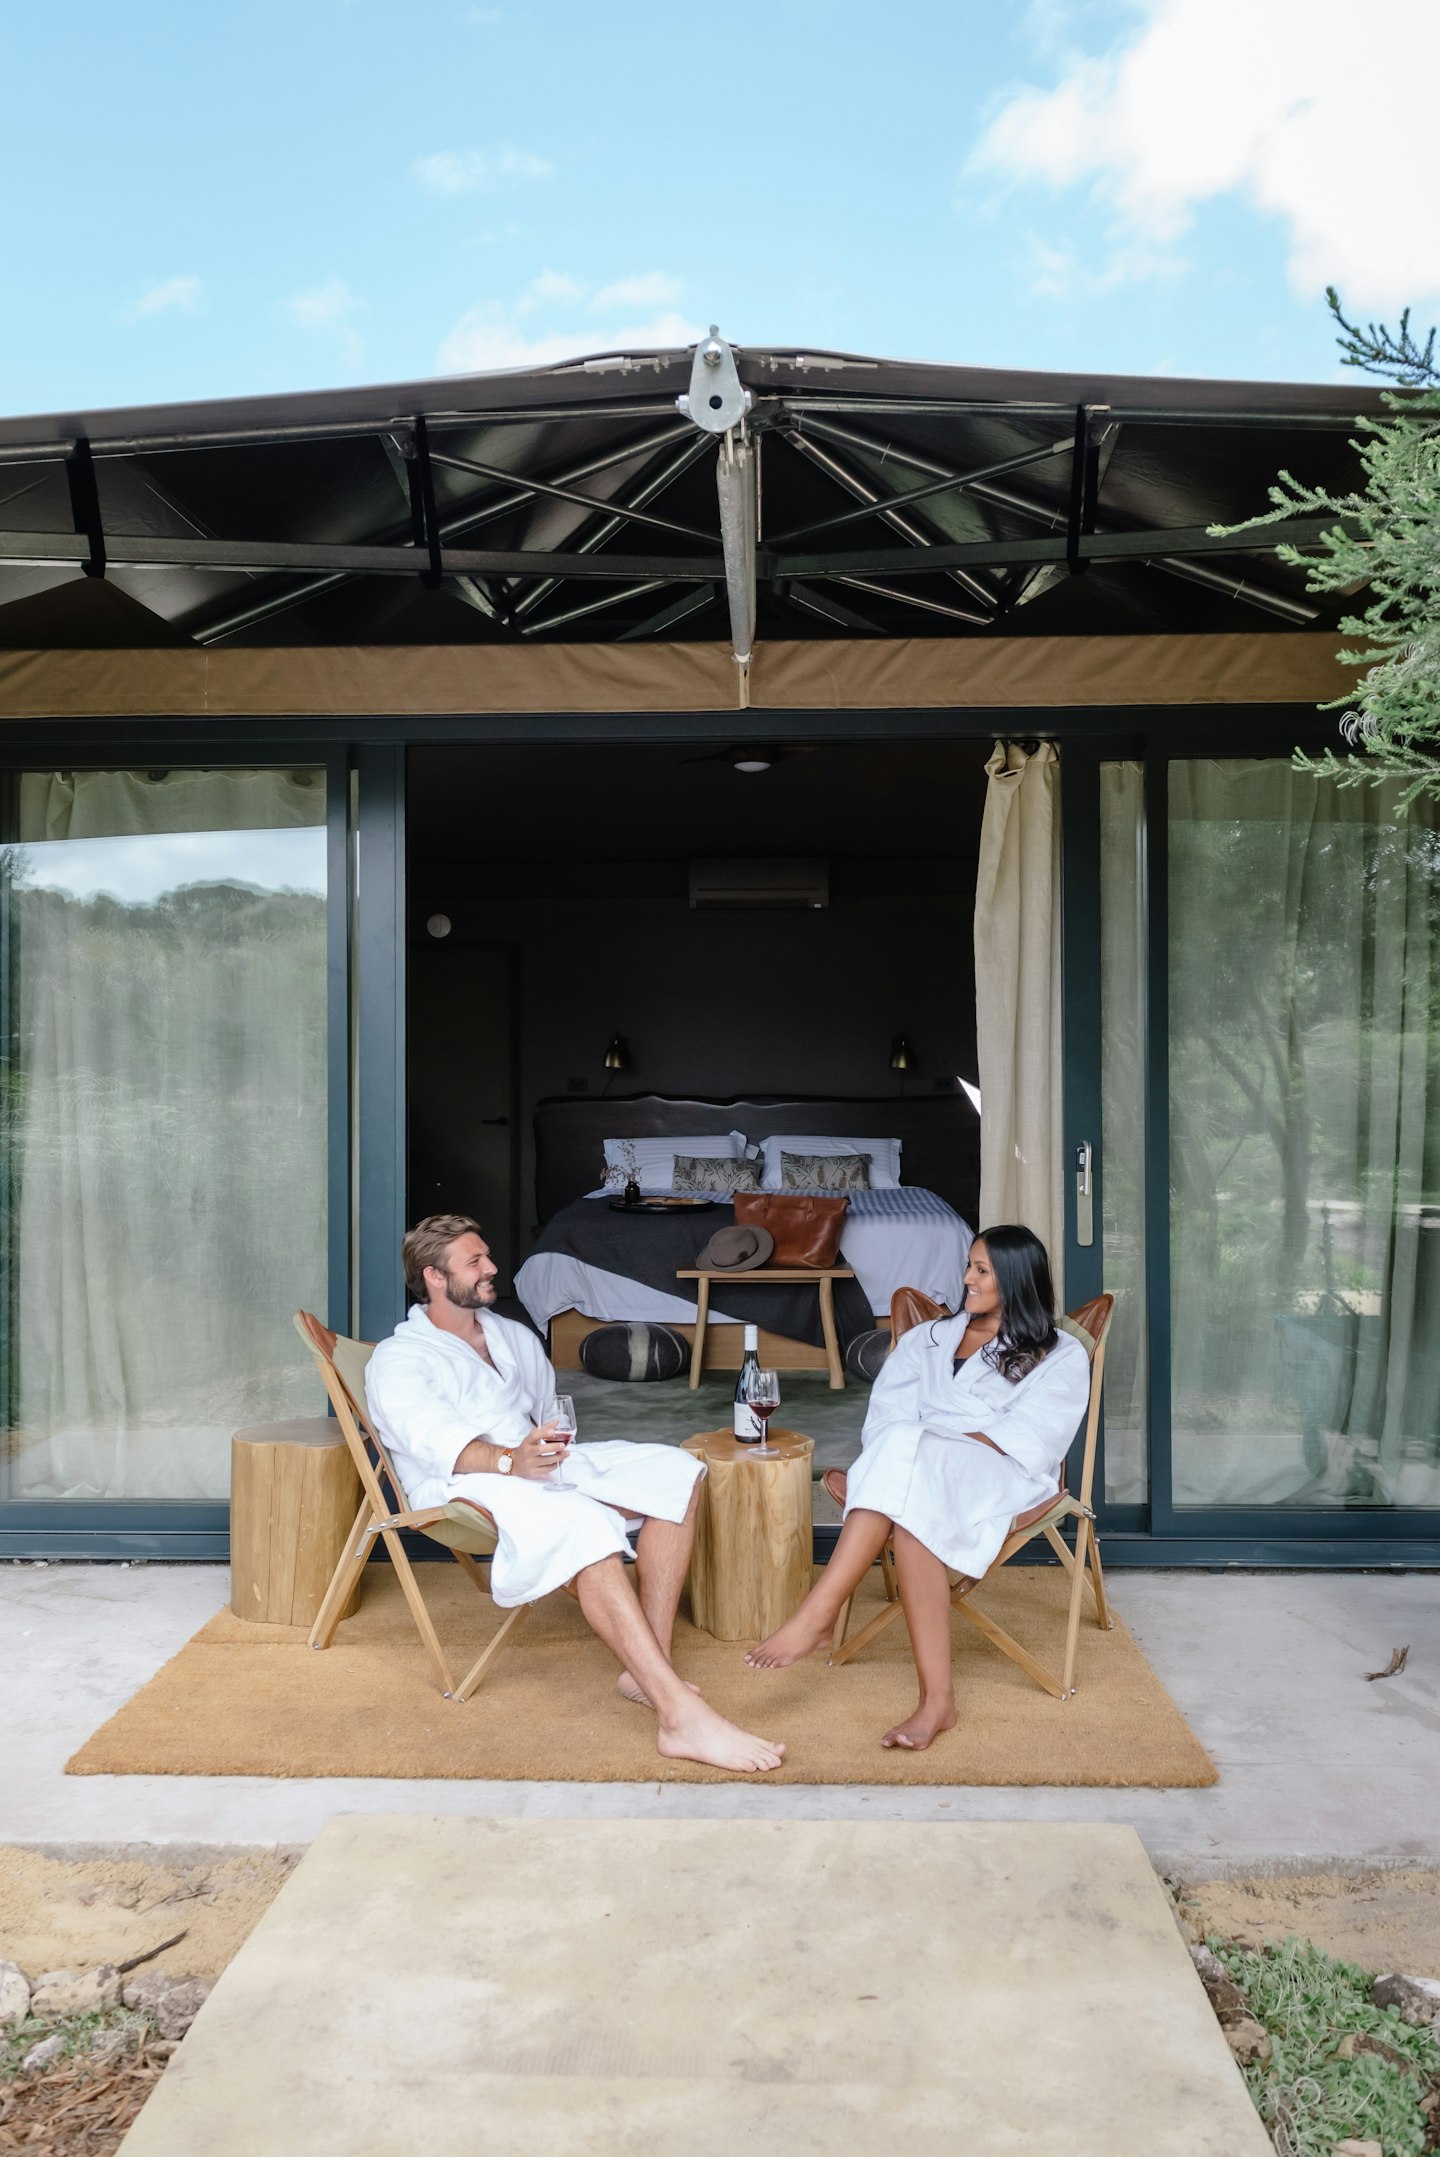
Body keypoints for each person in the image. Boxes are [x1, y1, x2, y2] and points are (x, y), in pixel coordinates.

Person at [366, 1213, 786, 1775]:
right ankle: (678, 1715)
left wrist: (543, 1451)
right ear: (434, 1277)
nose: (493, 1267)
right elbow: (438, 1444)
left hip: (533, 1464)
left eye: (487, 1255)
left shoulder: (510, 1335)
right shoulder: (401, 1359)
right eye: (475, 1261)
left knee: (675, 1471)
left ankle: (644, 1667)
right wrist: (514, 1460)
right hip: (463, 1484)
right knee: (585, 1525)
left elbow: (547, 1415)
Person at [744, 1226, 1089, 1751]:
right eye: (968, 1266)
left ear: (1017, 1281)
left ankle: (819, 1613)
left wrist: (936, 1439)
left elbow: (1034, 1437)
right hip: (912, 1470)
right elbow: (885, 1415)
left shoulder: (1059, 1352)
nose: (966, 1279)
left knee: (911, 1451)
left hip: (1001, 1474)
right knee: (910, 1491)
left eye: (981, 1271)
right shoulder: (929, 1338)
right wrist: (924, 1443)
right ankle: (937, 1702)